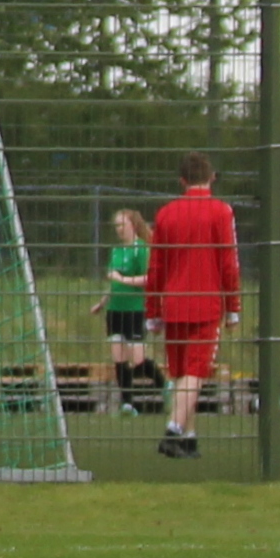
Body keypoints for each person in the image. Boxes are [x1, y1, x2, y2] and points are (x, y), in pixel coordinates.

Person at [147, 153, 241, 461]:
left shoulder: (166, 214)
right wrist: (233, 305)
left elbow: (156, 266)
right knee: (196, 371)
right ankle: (173, 430)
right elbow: (228, 262)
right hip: (206, 303)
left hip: (173, 303)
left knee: (181, 372)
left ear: (182, 180)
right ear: (211, 177)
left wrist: (153, 310)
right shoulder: (220, 211)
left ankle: (188, 437)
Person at [102, 207, 158, 416]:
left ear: (133, 225)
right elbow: (113, 281)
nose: (118, 229)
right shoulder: (116, 251)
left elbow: (148, 279)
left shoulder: (142, 249)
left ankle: (165, 386)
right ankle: (127, 403)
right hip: (115, 309)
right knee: (119, 357)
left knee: (138, 359)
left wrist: (123, 279)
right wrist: (103, 301)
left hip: (135, 309)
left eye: (122, 224)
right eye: (116, 225)